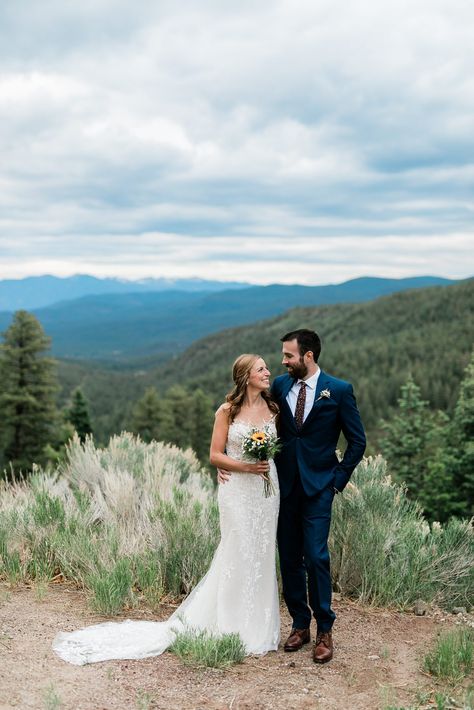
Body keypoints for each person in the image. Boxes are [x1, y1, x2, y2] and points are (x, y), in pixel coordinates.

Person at [52, 354, 280, 665]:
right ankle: (230, 624)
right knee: (236, 550)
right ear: (245, 376)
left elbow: (276, 448)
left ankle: (258, 625)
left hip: (267, 491)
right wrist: (243, 466)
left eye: (267, 367)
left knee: (261, 552)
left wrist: (263, 465)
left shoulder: (273, 407)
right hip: (238, 490)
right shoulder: (227, 411)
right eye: (261, 369)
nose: (268, 372)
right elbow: (215, 455)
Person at [271, 329, 366, 663]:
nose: (283, 362)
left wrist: (336, 481)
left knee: (315, 556)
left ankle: (325, 627)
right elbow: (266, 424)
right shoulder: (281, 386)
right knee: (289, 557)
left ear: (307, 355)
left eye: (288, 356)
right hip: (284, 487)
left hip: (319, 488)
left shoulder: (339, 391)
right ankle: (300, 623)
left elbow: (358, 442)